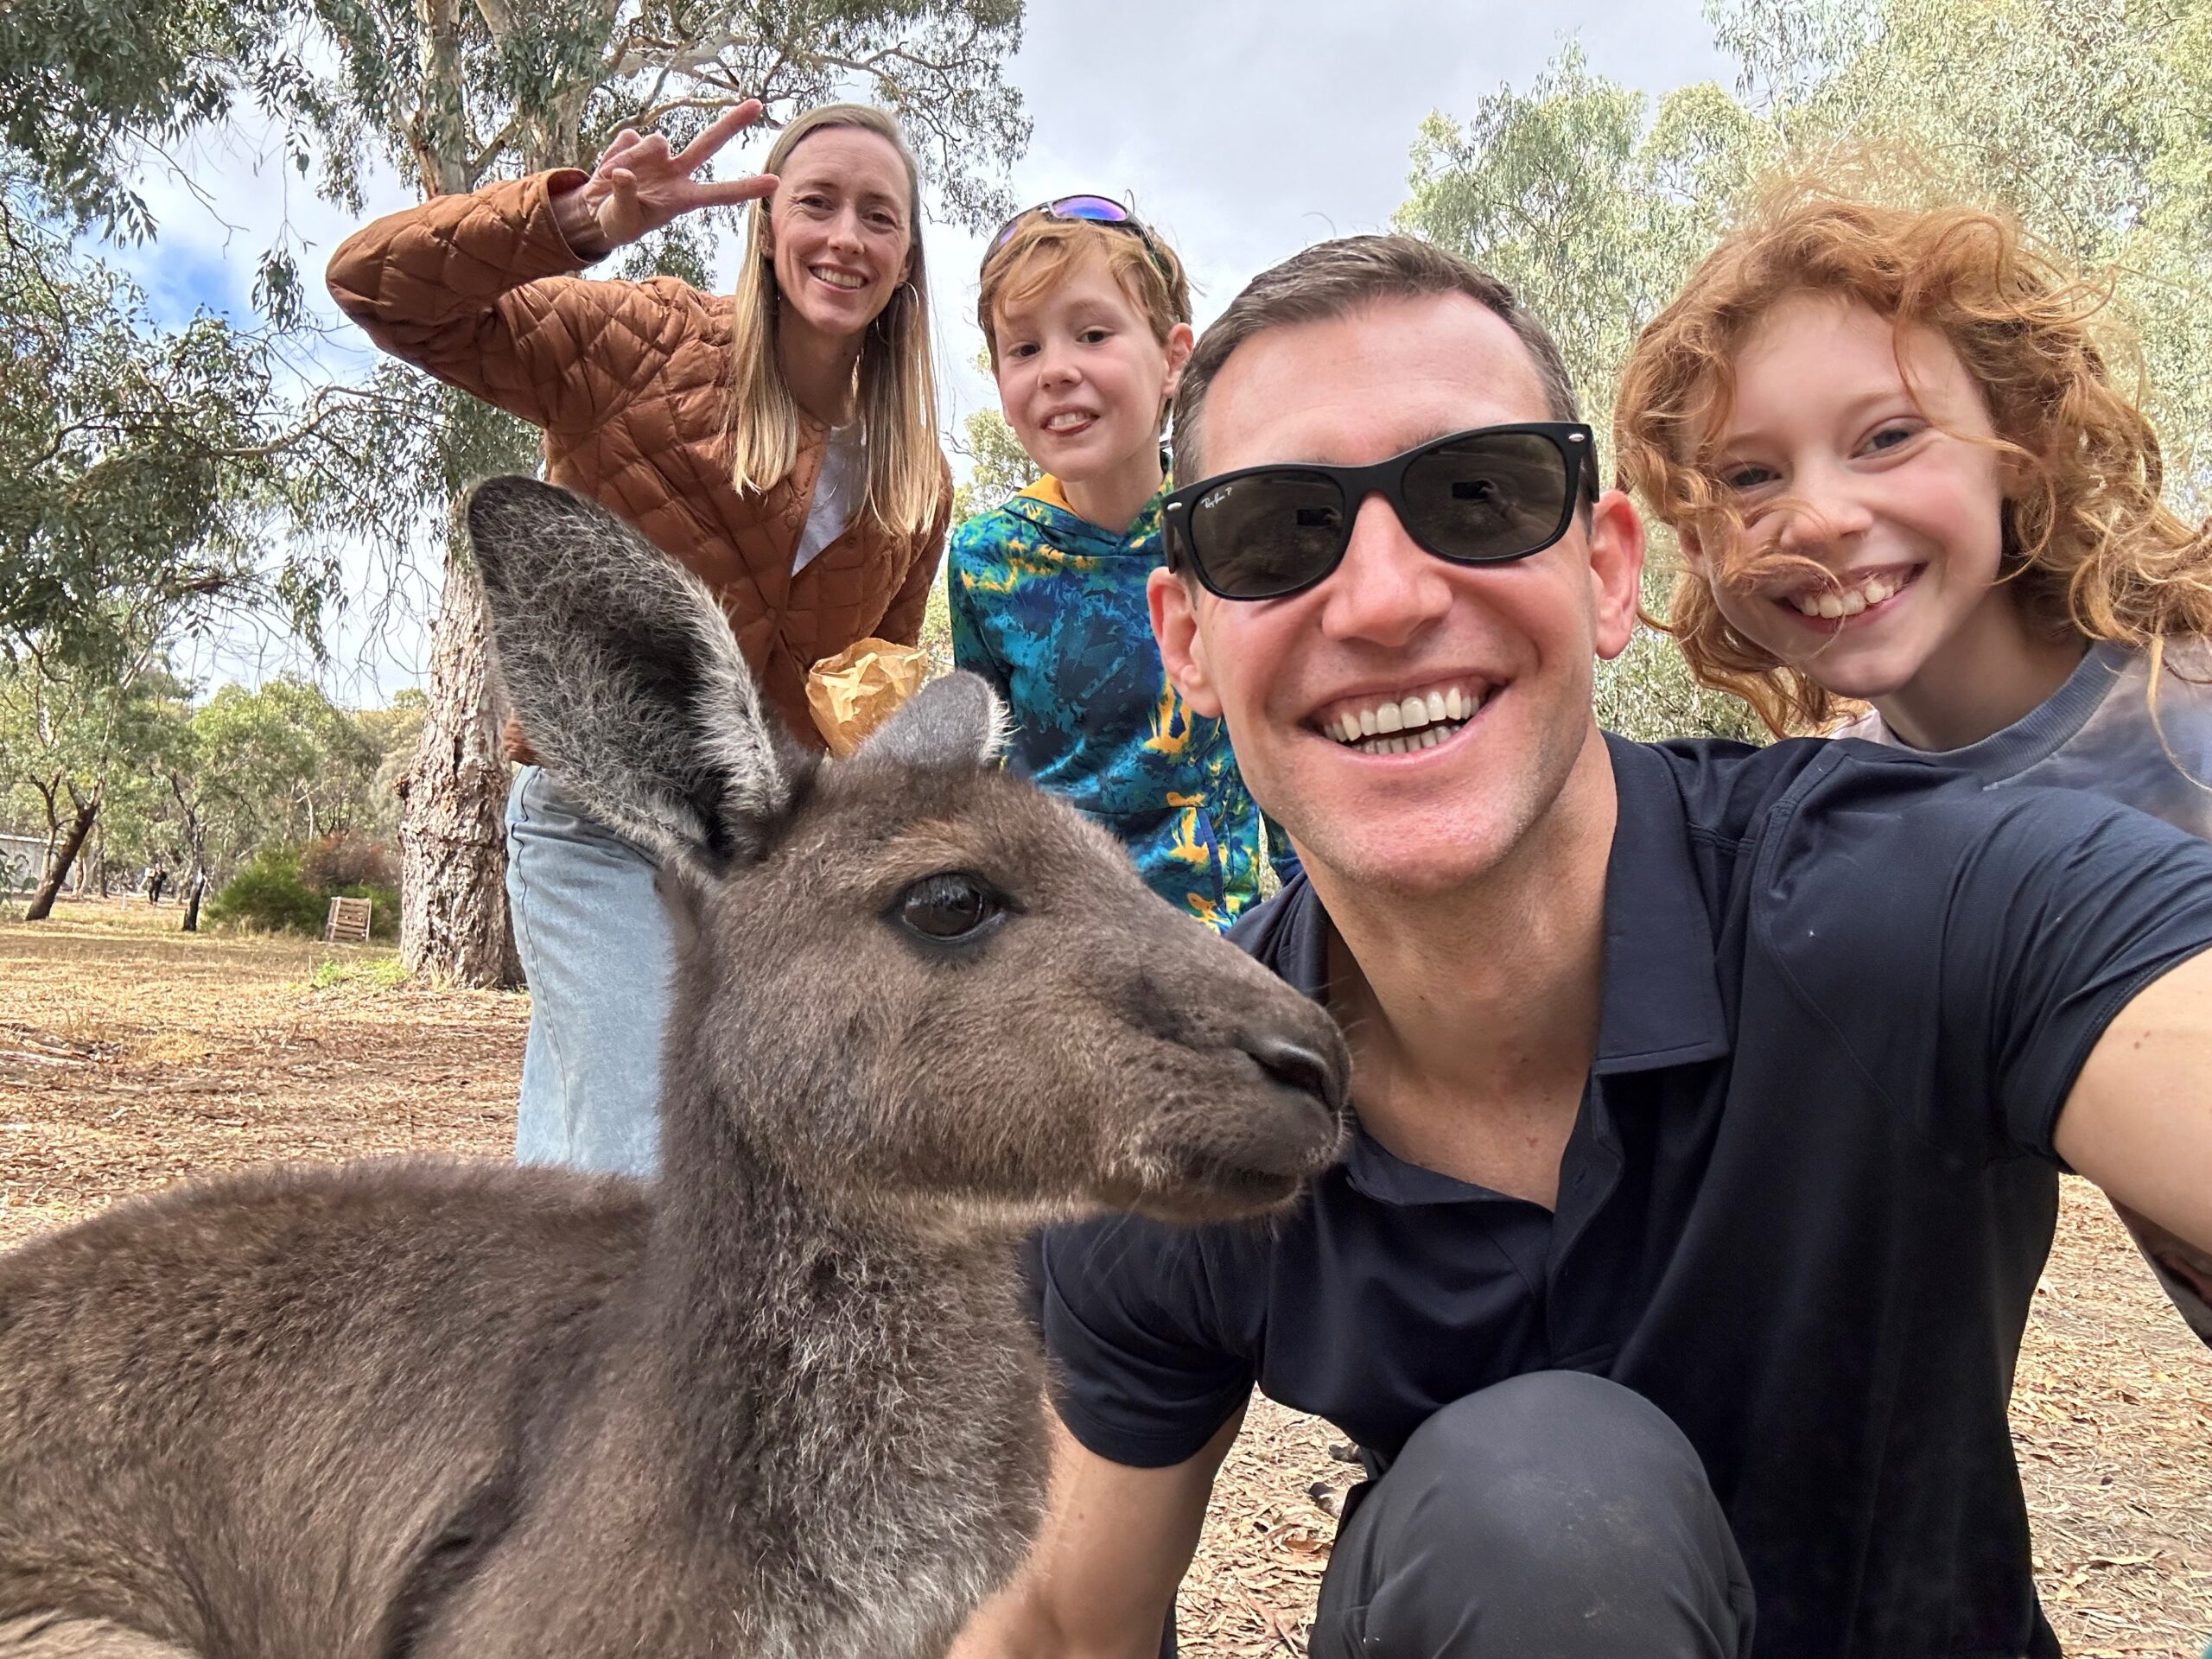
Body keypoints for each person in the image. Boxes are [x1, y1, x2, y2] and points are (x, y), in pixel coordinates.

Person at [948, 234, 2212, 1659]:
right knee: (1538, 1514)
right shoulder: (1174, 1120)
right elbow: (1058, 1622)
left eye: (1477, 499)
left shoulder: (1909, 886)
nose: (1383, 599)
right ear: (1188, 637)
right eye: (1274, 532)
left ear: (1609, 573)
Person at [1612, 182, 2212, 1341]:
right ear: (1696, 541)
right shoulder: (1847, 821)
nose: (1822, 516)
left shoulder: (2183, 715)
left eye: (1886, 437)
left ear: (2019, 441)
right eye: (1749, 476)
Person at [328, 101, 952, 1177]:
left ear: (905, 261)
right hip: (595, 824)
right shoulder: (644, 343)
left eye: (878, 216)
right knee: (650, 1167)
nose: (845, 237)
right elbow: (376, 286)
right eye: (816, 203)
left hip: (752, 867)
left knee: (573, 1180)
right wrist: (575, 222)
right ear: (766, 229)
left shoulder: (914, 480)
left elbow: (863, 695)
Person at [949, 198, 1293, 928]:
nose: (1056, 371)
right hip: (1061, 958)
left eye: (1093, 333)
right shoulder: (985, 562)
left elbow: (1289, 764)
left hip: (1226, 949)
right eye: (1024, 349)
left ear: (1173, 359)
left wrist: (1334, 924)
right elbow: (979, 784)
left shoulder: (1228, 533)